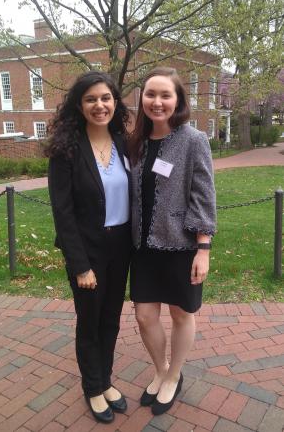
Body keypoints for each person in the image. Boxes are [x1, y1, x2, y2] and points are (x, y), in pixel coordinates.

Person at [129, 67, 216, 415]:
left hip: (181, 245)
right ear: (142, 99)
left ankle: (174, 375)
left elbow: (204, 195)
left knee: (181, 314)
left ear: (178, 99)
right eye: (151, 94)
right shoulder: (134, 139)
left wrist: (204, 248)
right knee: (144, 317)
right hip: (142, 246)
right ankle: (162, 371)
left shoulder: (193, 140)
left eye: (166, 95)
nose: (157, 101)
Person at [46, 71, 132, 424]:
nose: (100, 105)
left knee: (111, 319)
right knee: (89, 322)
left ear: (115, 102)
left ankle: (106, 380)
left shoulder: (124, 141)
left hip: (121, 248)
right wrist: (80, 265)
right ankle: (93, 388)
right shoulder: (66, 149)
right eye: (91, 99)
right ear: (79, 105)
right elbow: (62, 213)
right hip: (88, 252)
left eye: (106, 98)